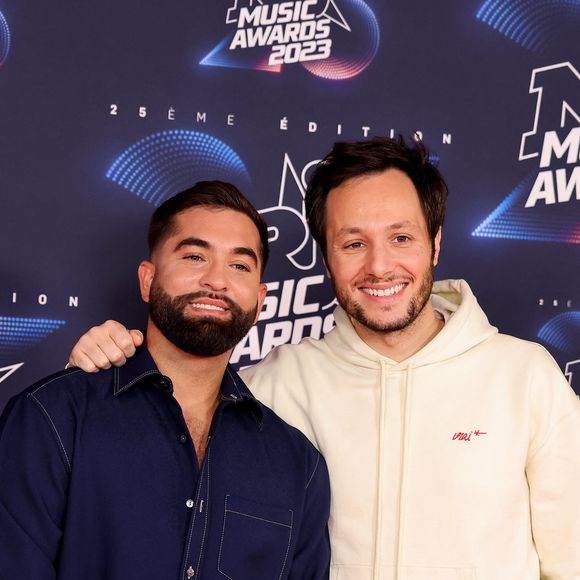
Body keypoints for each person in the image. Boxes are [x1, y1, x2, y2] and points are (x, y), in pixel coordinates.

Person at [66, 138, 580, 580]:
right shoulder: (272, 386)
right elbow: (147, 445)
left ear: (435, 243)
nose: (380, 267)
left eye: (401, 238)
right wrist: (90, 369)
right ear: (326, 256)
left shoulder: (526, 377)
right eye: (353, 243)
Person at [0, 181, 331, 580]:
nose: (216, 280)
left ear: (260, 301)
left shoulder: (298, 464)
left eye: (239, 265)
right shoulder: (53, 419)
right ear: (147, 279)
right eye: (194, 256)